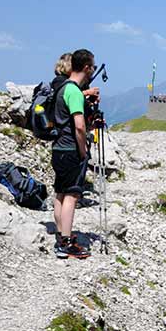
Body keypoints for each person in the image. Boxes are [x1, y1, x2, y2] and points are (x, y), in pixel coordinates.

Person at [51, 49, 98, 259]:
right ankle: (66, 244)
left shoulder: (62, 87)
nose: (93, 70)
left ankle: (61, 236)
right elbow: (79, 126)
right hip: (71, 149)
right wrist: (83, 150)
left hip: (58, 148)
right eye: (92, 67)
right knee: (71, 195)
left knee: (60, 194)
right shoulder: (75, 92)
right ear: (86, 67)